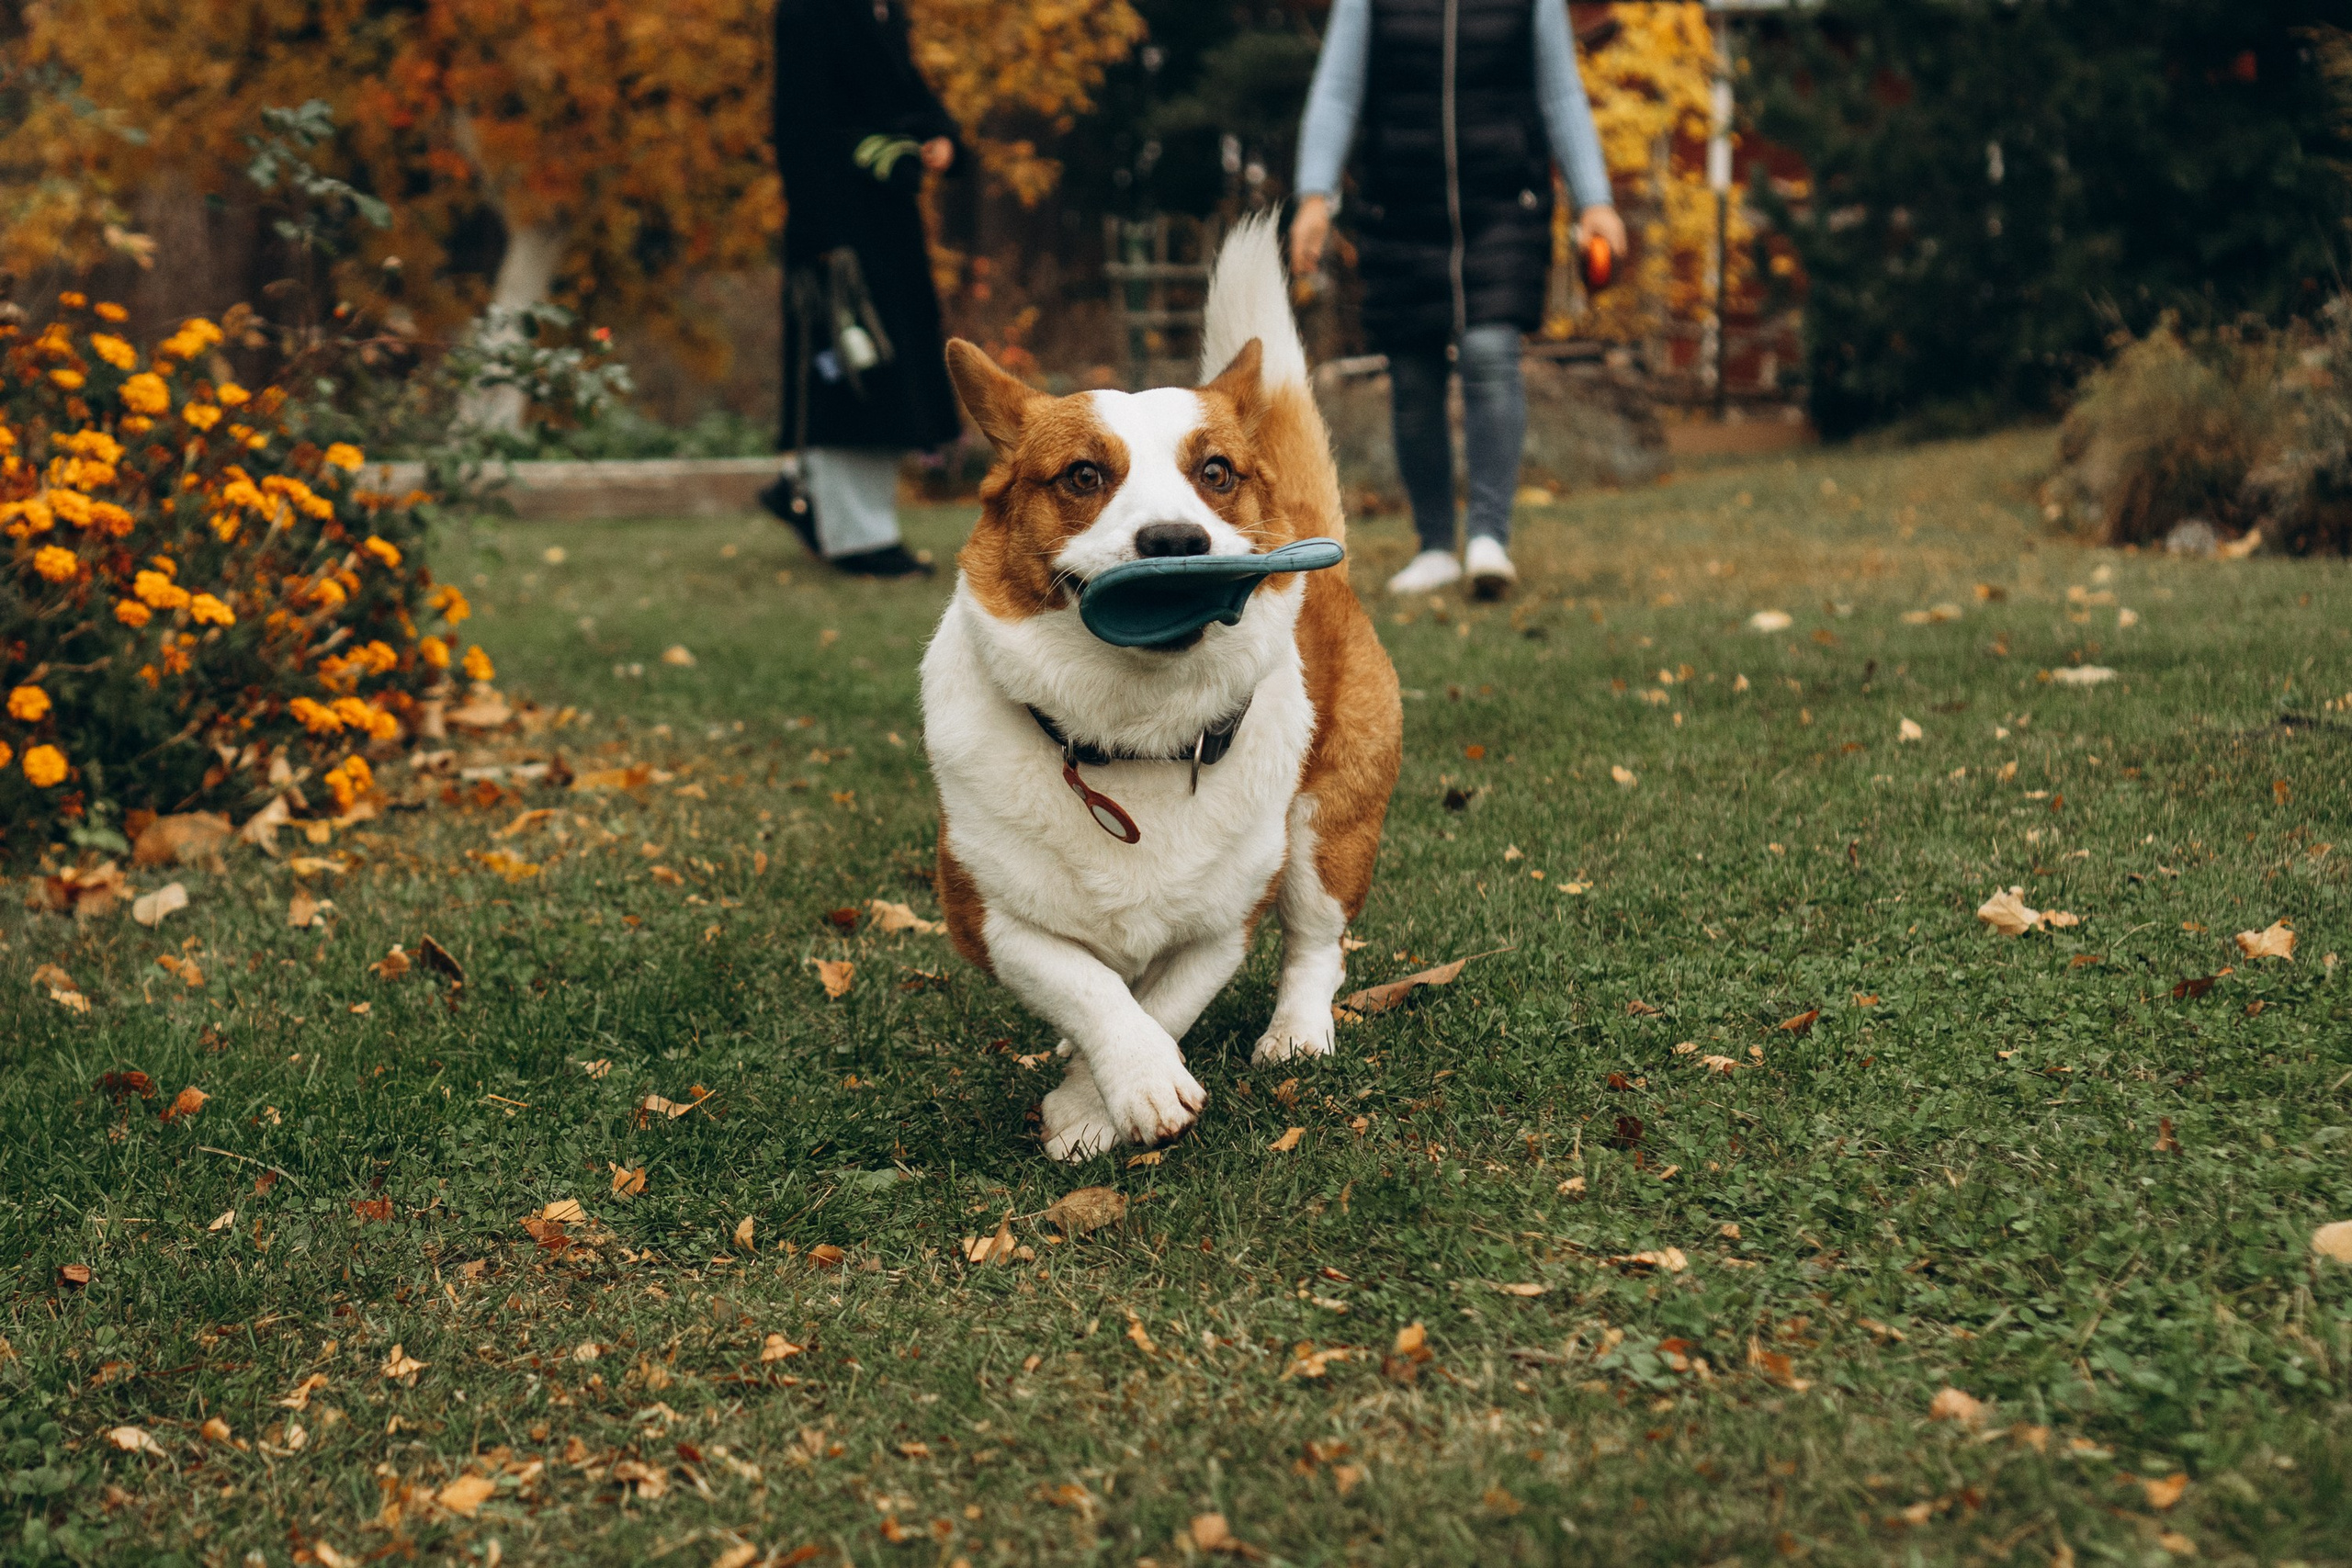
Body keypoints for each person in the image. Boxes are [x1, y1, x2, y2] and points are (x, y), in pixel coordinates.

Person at [1290, 0, 1626, 599]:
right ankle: (1437, 545)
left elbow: (1560, 95)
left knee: (1489, 352)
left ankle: (1489, 537)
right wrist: (1314, 194)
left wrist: (1594, 198)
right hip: (1399, 210)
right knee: (1414, 377)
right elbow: (1339, 91)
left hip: (1503, 205)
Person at [770, 0, 963, 578]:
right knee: (850, 374)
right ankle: (858, 537)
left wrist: (941, 137)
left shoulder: (883, 11)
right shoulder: (809, 11)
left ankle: (804, 497)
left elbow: (908, 95)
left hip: (888, 228)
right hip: (837, 229)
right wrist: (821, 235)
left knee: (884, 370)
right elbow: (798, 126)